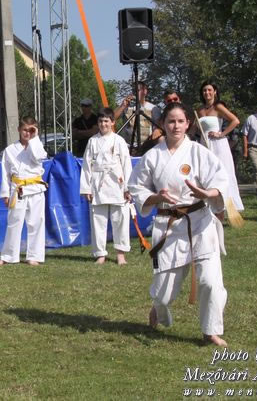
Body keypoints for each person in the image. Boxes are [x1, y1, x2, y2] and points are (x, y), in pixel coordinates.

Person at [128, 103, 229, 348]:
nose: (176, 126)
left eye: (180, 121)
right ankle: (158, 308)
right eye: (171, 121)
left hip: (200, 221)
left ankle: (211, 331)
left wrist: (207, 193)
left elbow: (220, 180)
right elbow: (136, 187)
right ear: (163, 124)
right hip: (169, 225)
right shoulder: (153, 156)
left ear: (188, 124)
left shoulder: (198, 152)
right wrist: (156, 197)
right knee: (163, 294)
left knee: (210, 281)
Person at [79, 108, 132, 265]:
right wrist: (86, 188)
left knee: (120, 220)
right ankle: (100, 253)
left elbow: (126, 165)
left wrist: (128, 188)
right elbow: (86, 166)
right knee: (98, 221)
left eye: (106, 121)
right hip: (98, 184)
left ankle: (121, 254)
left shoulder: (119, 141)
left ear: (113, 122)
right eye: (101, 121)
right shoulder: (92, 141)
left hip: (117, 183)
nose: (103, 124)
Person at [0, 116, 49, 266]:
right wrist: (5, 193)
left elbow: (39, 157)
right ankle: (8, 256)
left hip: (36, 188)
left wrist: (35, 138)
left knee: (36, 223)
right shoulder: (10, 150)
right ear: (19, 130)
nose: (27, 133)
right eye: (25, 130)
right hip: (18, 189)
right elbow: (5, 173)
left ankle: (34, 256)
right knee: (14, 222)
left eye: (31, 130)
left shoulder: (37, 146)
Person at [197, 82, 244, 214]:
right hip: (204, 144)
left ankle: (229, 207)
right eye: (204, 90)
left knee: (223, 173)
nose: (207, 93)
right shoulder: (200, 110)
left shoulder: (218, 107)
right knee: (207, 174)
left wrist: (221, 134)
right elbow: (195, 128)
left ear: (215, 92)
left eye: (209, 90)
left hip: (218, 145)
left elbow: (235, 121)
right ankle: (211, 206)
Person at [114, 80, 156, 150]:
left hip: (146, 147)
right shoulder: (126, 107)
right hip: (127, 146)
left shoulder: (153, 108)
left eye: (138, 90)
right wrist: (122, 106)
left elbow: (157, 129)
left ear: (145, 91)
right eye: (134, 91)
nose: (135, 93)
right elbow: (111, 119)